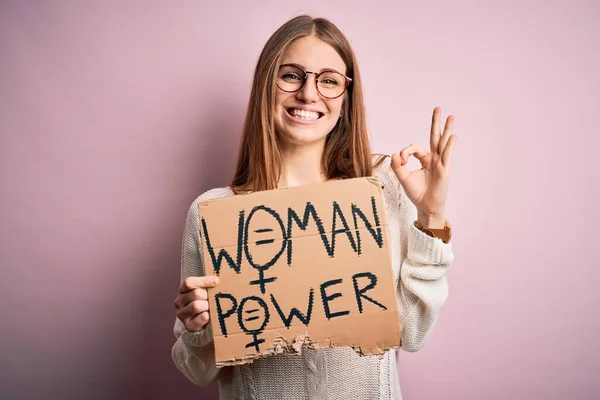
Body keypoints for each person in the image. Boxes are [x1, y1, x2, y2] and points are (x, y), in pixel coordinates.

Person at [172, 15, 456, 400]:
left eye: (328, 80)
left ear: (346, 95)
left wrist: (431, 216)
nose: (308, 94)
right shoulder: (213, 213)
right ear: (265, 85)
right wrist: (199, 327)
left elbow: (413, 333)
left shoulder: (385, 187)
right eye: (291, 75)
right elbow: (199, 371)